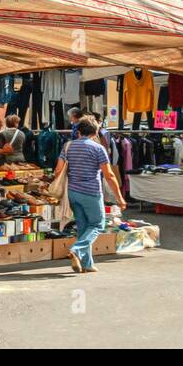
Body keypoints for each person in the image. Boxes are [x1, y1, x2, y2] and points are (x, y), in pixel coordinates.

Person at [53, 116, 126, 274]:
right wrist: (119, 197)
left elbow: (58, 171)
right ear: (96, 132)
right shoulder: (98, 148)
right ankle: (77, 249)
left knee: (83, 227)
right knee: (98, 224)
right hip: (91, 192)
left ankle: (87, 264)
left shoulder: (68, 146)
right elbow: (109, 175)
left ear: (78, 131)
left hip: (72, 192)